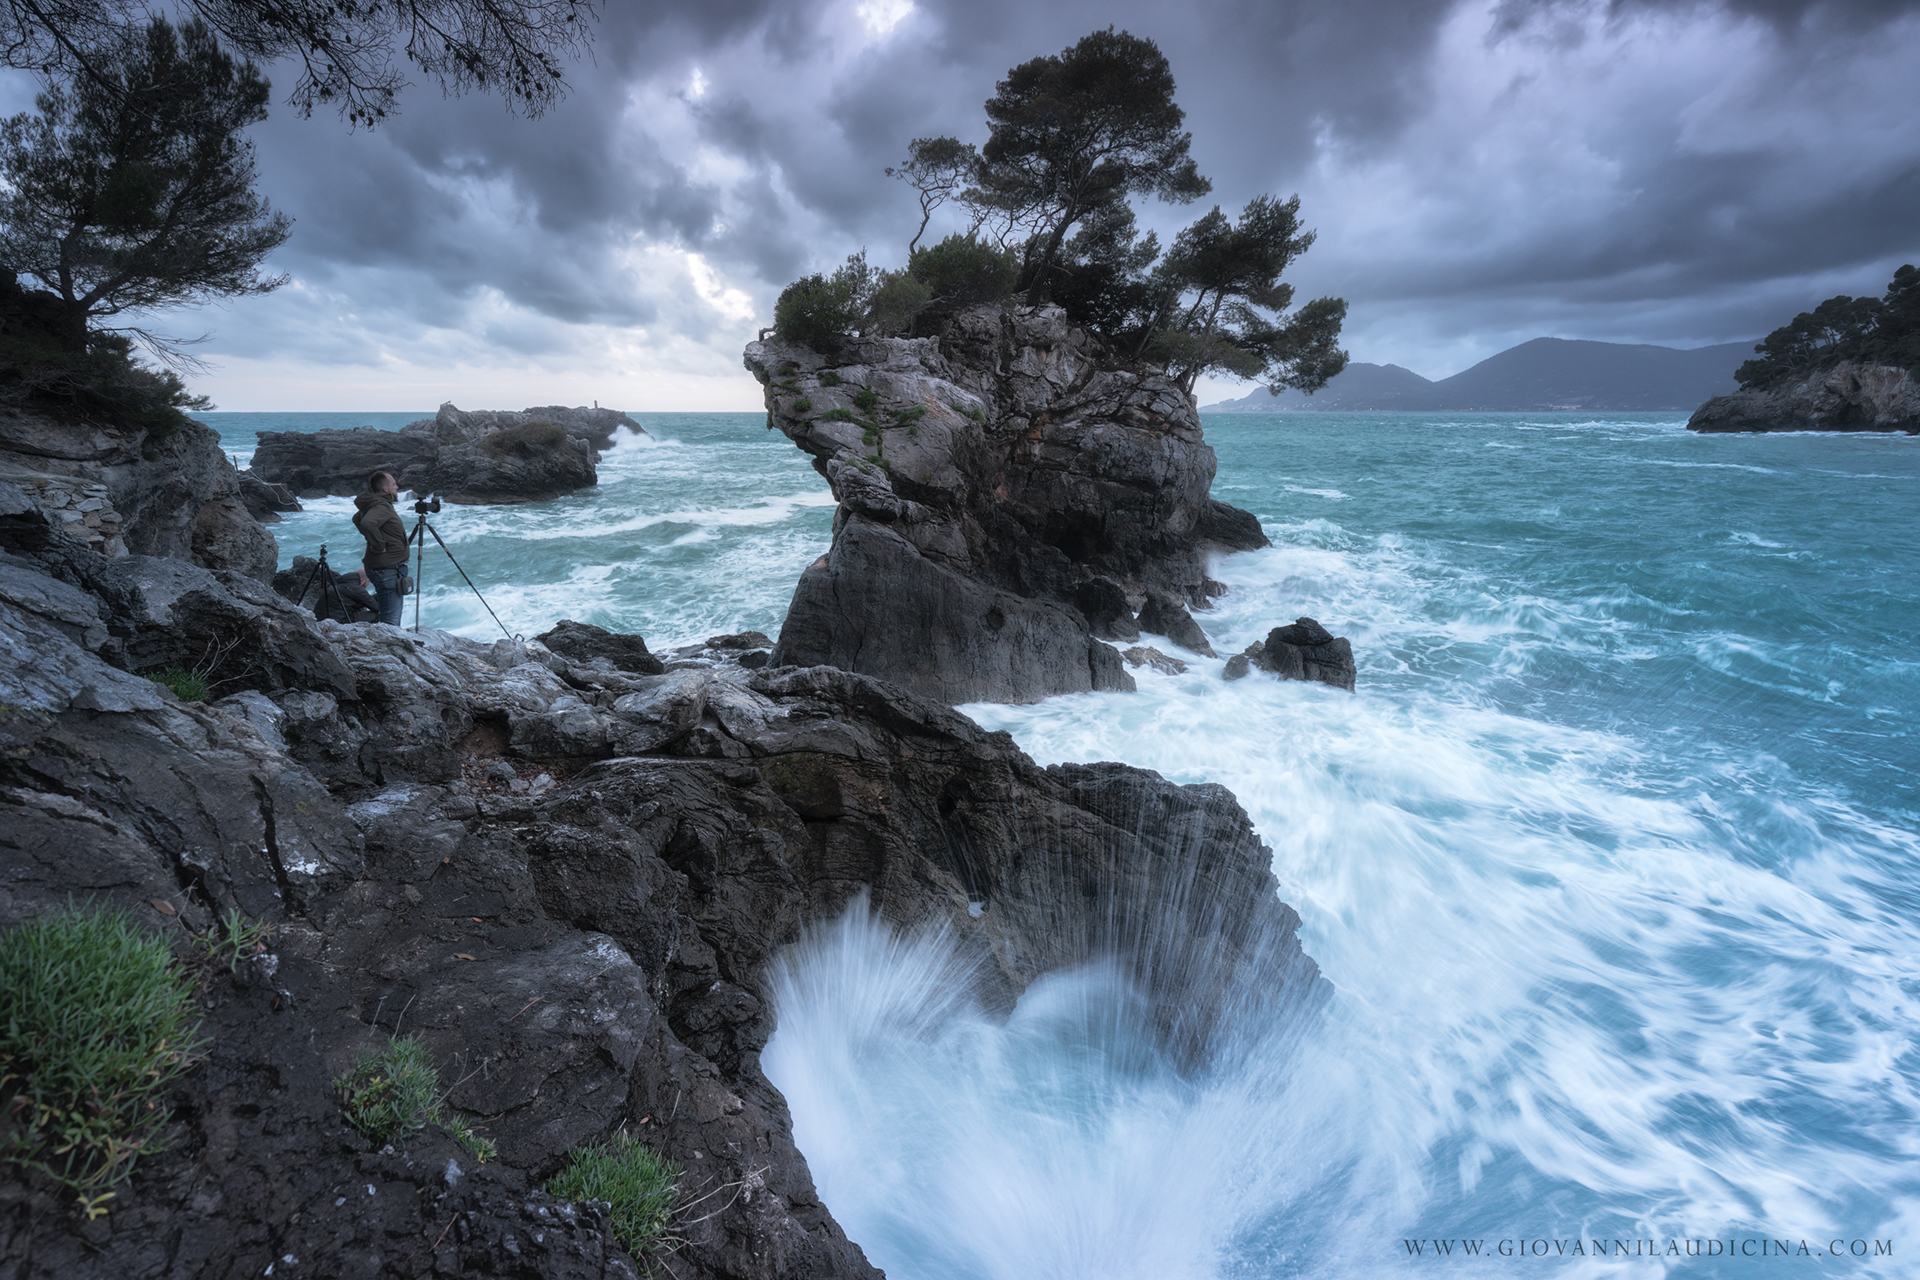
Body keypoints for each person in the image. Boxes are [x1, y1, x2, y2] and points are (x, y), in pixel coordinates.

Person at [352, 471, 409, 626]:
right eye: (393, 484)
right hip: (387, 569)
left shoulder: (374, 504)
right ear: (385, 488)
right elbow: (367, 523)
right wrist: (378, 545)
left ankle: (388, 641)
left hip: (382, 567)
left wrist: (373, 540)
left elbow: (357, 519)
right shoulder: (381, 506)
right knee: (391, 619)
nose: (397, 487)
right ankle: (392, 646)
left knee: (387, 613)